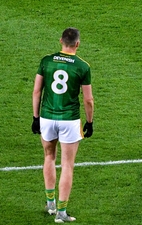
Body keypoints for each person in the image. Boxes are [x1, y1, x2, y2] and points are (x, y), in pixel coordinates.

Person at [32, 27, 94, 223]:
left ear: (61, 41)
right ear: (78, 44)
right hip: (70, 119)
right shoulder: (82, 66)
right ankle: (61, 212)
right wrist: (90, 122)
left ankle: (50, 202)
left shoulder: (46, 61)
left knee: (49, 156)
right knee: (67, 165)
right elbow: (88, 99)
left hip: (47, 117)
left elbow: (36, 91)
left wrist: (35, 117)